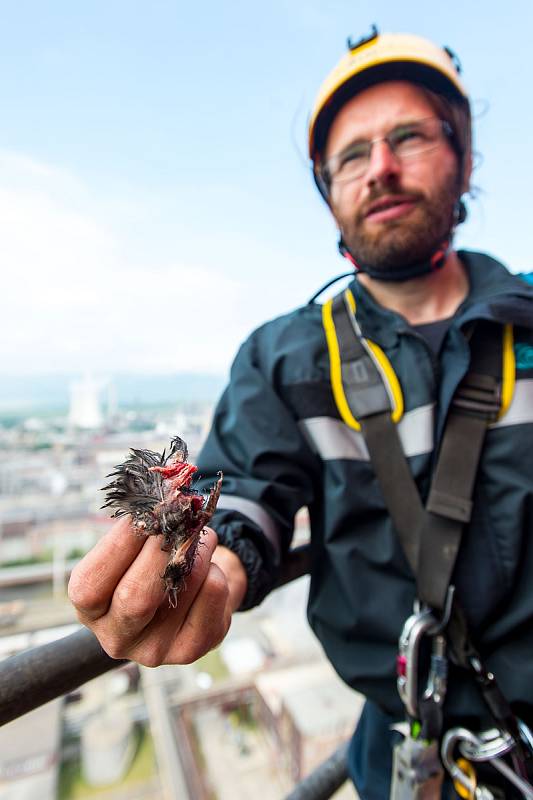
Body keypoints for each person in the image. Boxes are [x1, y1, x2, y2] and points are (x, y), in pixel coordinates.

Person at [69, 29, 533, 798]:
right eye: (350, 155)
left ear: (465, 159)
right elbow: (243, 493)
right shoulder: (288, 360)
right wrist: (206, 567)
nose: (378, 167)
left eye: (408, 137)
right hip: (403, 758)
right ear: (328, 189)